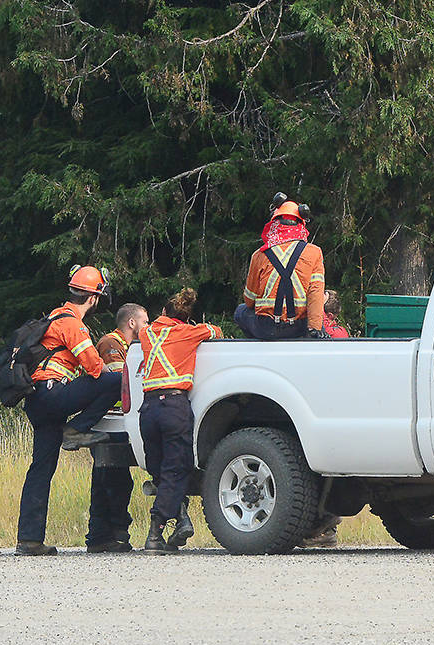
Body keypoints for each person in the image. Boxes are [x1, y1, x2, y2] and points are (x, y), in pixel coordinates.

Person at [15, 265, 121, 556]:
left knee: (41, 468)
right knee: (116, 380)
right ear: (94, 298)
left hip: (38, 401)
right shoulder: (73, 323)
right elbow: (94, 368)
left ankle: (29, 540)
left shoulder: (54, 316)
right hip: (52, 394)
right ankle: (75, 430)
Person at [138, 288, 222, 554]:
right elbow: (215, 331)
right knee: (177, 469)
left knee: (160, 470)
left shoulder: (146, 333)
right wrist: (195, 326)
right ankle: (155, 531)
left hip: (148, 409)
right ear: (186, 318)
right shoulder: (189, 332)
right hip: (174, 406)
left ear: (163, 313)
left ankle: (182, 518)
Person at [85, 302, 149, 553]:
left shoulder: (128, 347)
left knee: (113, 479)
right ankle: (104, 536)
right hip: (108, 423)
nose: (148, 326)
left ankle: (107, 535)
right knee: (110, 479)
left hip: (115, 421)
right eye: (144, 321)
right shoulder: (111, 345)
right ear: (131, 322)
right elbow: (120, 381)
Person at [234, 200, 329, 340]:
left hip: (266, 327)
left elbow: (249, 301)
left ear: (274, 223)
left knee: (240, 311)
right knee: (317, 323)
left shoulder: (259, 255)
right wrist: (314, 329)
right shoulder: (314, 252)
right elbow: (315, 294)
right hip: (298, 327)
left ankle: (258, 347)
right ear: (301, 224)